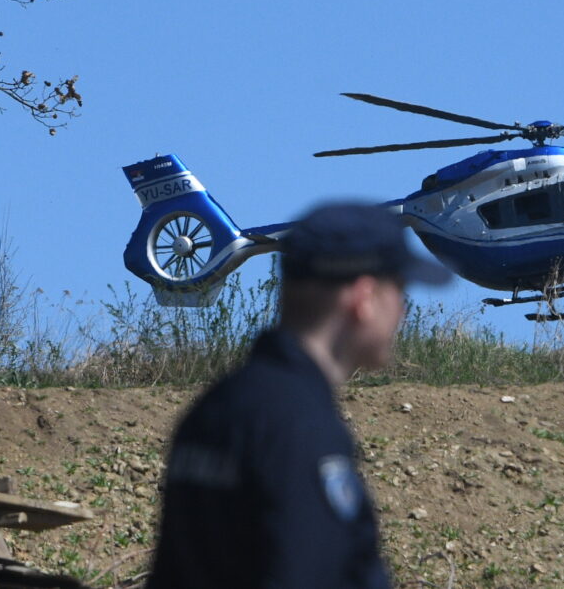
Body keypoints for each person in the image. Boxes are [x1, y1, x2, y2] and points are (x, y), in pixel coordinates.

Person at [147, 202, 451, 589]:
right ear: (364, 298)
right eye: (401, 291)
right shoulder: (300, 425)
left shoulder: (216, 406)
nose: (404, 311)